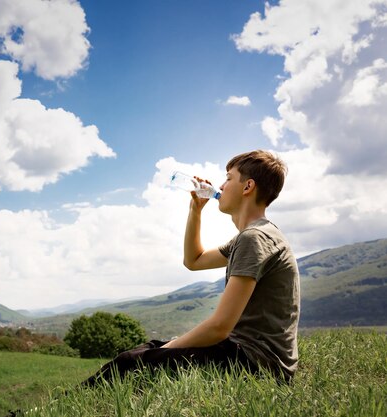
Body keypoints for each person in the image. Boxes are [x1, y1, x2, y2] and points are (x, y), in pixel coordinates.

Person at [83, 150, 300, 387]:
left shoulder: (254, 238)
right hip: (249, 355)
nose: (221, 185)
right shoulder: (254, 236)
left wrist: (167, 350)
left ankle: (68, 407)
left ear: (247, 186)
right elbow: (194, 261)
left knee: (132, 361)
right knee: (149, 348)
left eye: (228, 178)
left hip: (255, 364)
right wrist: (195, 210)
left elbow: (219, 327)